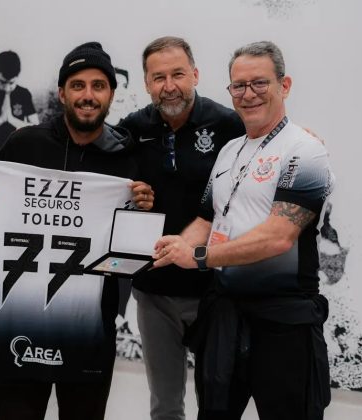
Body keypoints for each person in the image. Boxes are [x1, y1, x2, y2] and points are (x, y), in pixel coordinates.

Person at [0, 41, 155, 420]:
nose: (88, 95)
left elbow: (131, 261)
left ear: (110, 94)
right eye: (78, 85)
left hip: (87, 331)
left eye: (98, 85)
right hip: (18, 327)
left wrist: (141, 215)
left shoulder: (126, 158)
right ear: (62, 93)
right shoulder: (24, 144)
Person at [153, 40, 334, 420]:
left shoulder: (305, 151)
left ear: (284, 86)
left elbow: (279, 236)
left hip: (284, 320)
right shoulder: (229, 151)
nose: (248, 94)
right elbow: (206, 219)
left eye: (259, 83)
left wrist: (198, 257)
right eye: (238, 85)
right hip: (226, 317)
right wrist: (174, 248)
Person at [118, 36, 245, 420]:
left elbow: (270, 143)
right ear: (146, 83)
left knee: (218, 402)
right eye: (158, 77)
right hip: (154, 291)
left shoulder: (227, 123)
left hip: (214, 289)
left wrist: (303, 139)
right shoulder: (132, 129)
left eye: (177, 74)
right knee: (166, 405)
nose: (169, 85)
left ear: (195, 74)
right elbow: (96, 169)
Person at [0, 50, 39, 158]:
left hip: (18, 148)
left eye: (11, 83)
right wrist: (1, 119)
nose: (7, 87)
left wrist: (11, 119)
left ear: (17, 77)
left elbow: (36, 127)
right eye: (2, 82)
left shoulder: (24, 94)